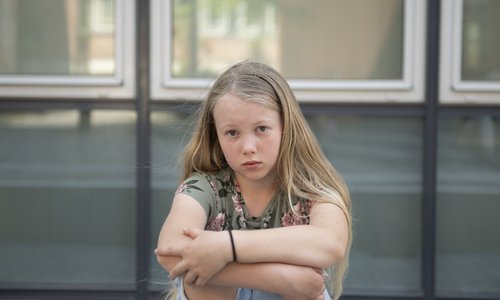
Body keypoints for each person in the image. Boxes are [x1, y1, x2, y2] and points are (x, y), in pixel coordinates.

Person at [155, 61, 352, 300]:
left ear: (285, 127)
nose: (248, 147)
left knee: (201, 271)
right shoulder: (205, 187)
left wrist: (226, 247)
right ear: (216, 135)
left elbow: (330, 243)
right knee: (202, 283)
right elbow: (169, 252)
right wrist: (287, 279)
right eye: (232, 132)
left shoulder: (311, 189)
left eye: (261, 129)